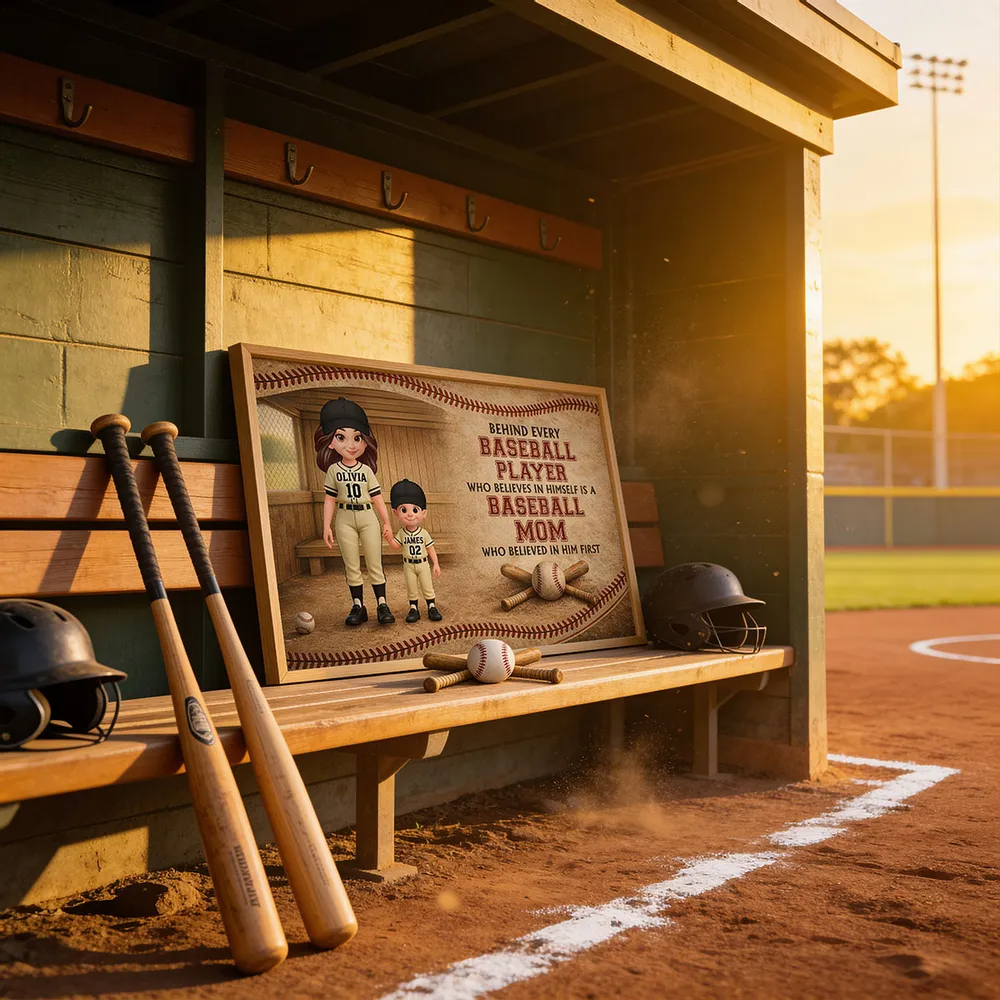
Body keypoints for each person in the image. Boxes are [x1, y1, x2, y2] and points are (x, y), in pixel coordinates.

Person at [315, 397, 395, 626]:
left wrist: (387, 522)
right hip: (344, 517)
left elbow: (377, 496)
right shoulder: (333, 469)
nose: (351, 444)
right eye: (341, 437)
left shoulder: (367, 470)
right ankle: (358, 607)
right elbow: (330, 499)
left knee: (374, 562)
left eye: (357, 437)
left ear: (364, 441)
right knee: (351, 564)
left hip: (367, 515)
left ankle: (382, 604)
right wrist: (326, 526)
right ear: (330, 442)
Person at [388, 478, 442, 623]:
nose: (410, 514)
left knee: (427, 585)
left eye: (415, 510)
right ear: (396, 512)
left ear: (423, 513)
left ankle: (431, 606)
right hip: (408, 564)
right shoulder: (402, 533)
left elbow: (430, 548)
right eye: (404, 510)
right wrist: (389, 539)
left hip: (423, 563)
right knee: (411, 586)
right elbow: (395, 546)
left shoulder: (423, 533)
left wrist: (435, 564)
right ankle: (413, 609)